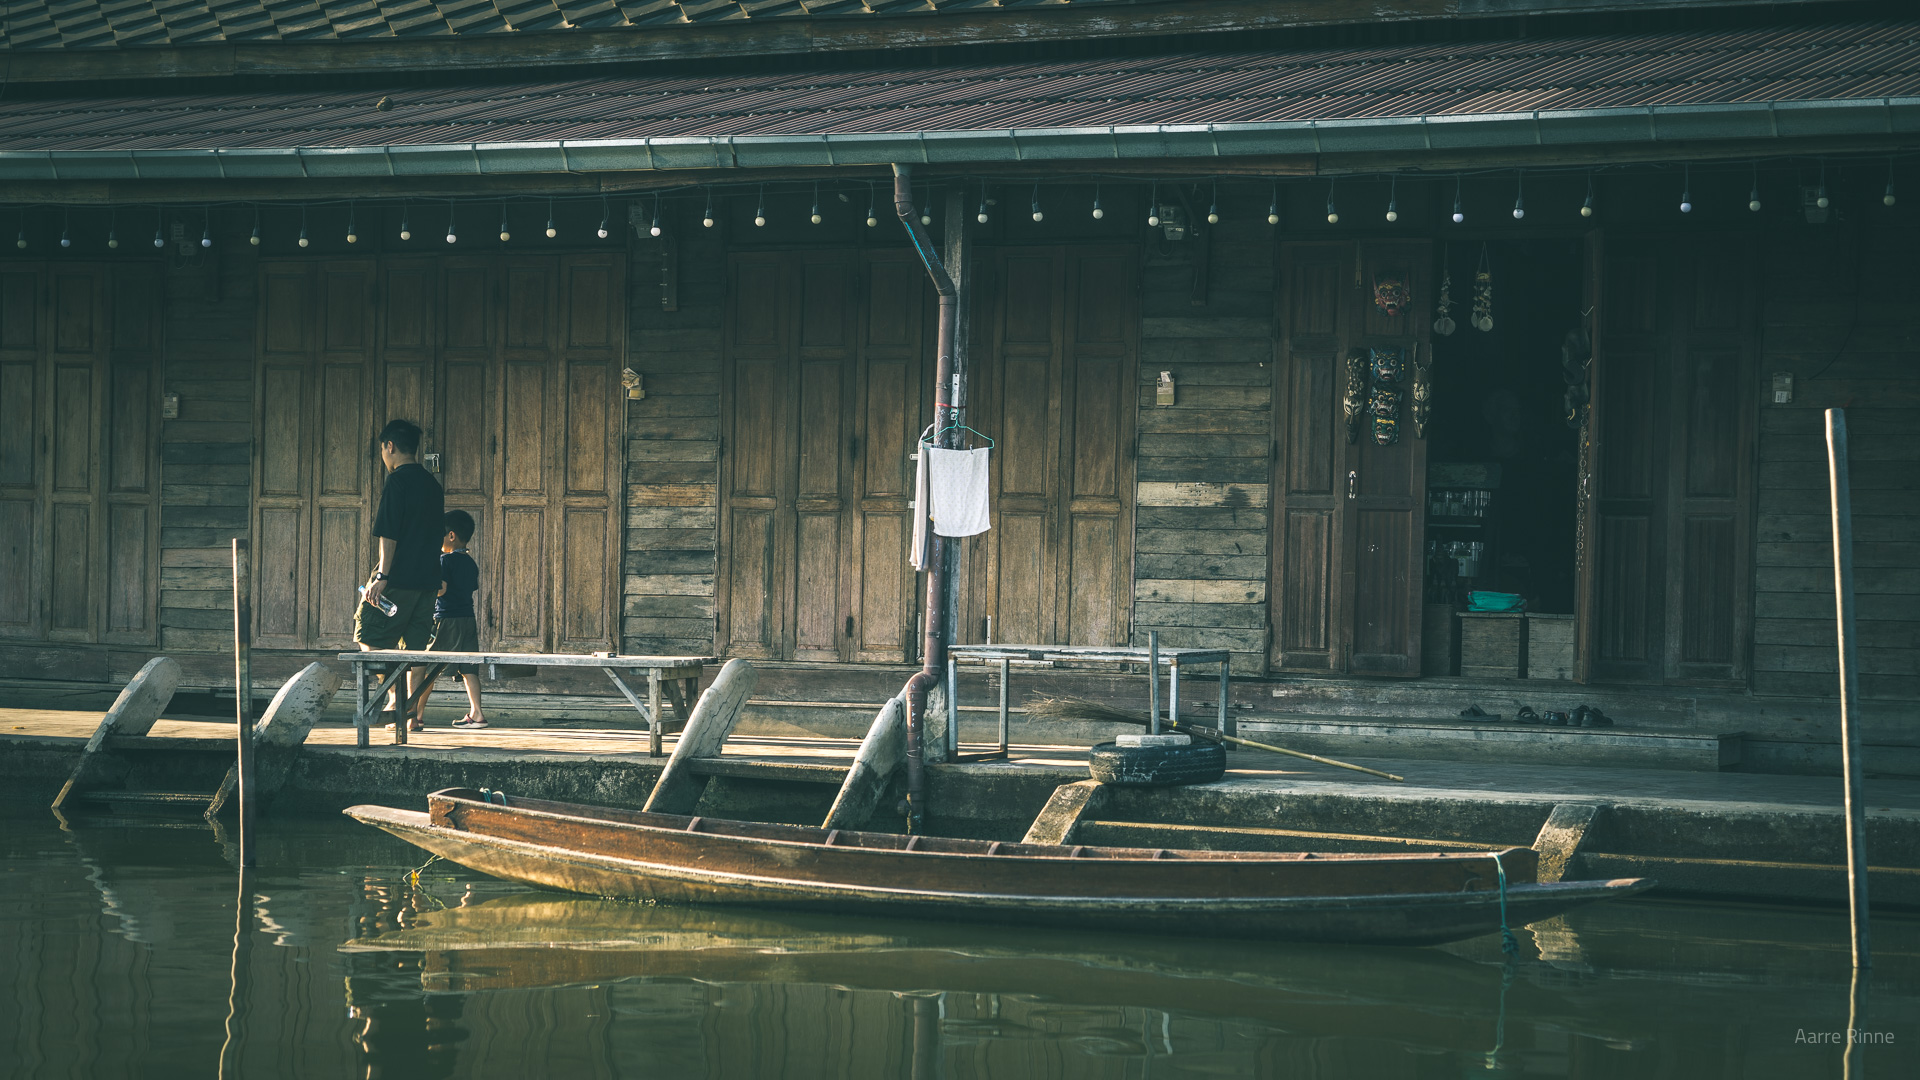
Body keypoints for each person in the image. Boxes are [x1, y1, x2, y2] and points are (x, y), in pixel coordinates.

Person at [356, 419, 445, 732]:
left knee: (367, 632)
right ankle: (409, 714)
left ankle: (394, 697)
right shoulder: (433, 485)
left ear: (389, 447)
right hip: (428, 580)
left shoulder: (397, 482)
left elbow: (389, 534)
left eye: (383, 449)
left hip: (399, 579)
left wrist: (382, 575)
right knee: (416, 647)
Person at [427, 510, 486, 730]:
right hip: (467, 619)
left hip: (447, 619)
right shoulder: (469, 562)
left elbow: (441, 590)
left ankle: (415, 714)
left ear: (451, 536)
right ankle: (477, 713)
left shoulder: (444, 560)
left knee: (427, 668)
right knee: (469, 668)